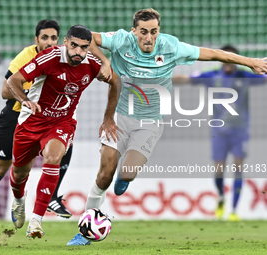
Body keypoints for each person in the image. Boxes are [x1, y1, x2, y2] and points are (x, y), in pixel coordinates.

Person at [67, 8, 267, 245]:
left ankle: (125, 176)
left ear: (158, 31)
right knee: (104, 175)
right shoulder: (121, 40)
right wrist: (105, 61)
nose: (148, 38)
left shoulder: (171, 47)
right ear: (135, 31)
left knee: (127, 173)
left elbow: (213, 54)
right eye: (143, 32)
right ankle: (84, 231)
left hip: (151, 122)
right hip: (120, 117)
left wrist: (250, 62)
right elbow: (84, 36)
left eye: (153, 32)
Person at [6, 24, 119, 239]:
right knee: (20, 172)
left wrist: (108, 117)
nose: (78, 52)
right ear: (65, 42)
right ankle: (19, 200)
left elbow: (116, 82)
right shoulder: (50, 58)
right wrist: (25, 100)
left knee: (54, 157)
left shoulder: (92, 64)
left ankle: (36, 221)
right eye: (74, 46)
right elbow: (13, 80)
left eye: (84, 48)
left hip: (62, 122)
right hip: (32, 120)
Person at [0, 20, 73, 237]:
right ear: (36, 40)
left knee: (64, 146)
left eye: (53, 38)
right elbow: (5, 91)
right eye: (44, 38)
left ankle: (52, 197)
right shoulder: (25, 57)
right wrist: (28, 93)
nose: (49, 42)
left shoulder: (63, 57)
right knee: (1, 166)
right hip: (17, 115)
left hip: (46, 119)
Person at [172, 45, 267, 221]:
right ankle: (221, 198)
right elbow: (185, 79)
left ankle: (233, 211)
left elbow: (264, 78)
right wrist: (161, 79)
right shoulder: (211, 75)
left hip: (240, 131)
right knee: (219, 170)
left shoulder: (245, 76)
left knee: (238, 168)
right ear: (222, 60)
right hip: (219, 132)